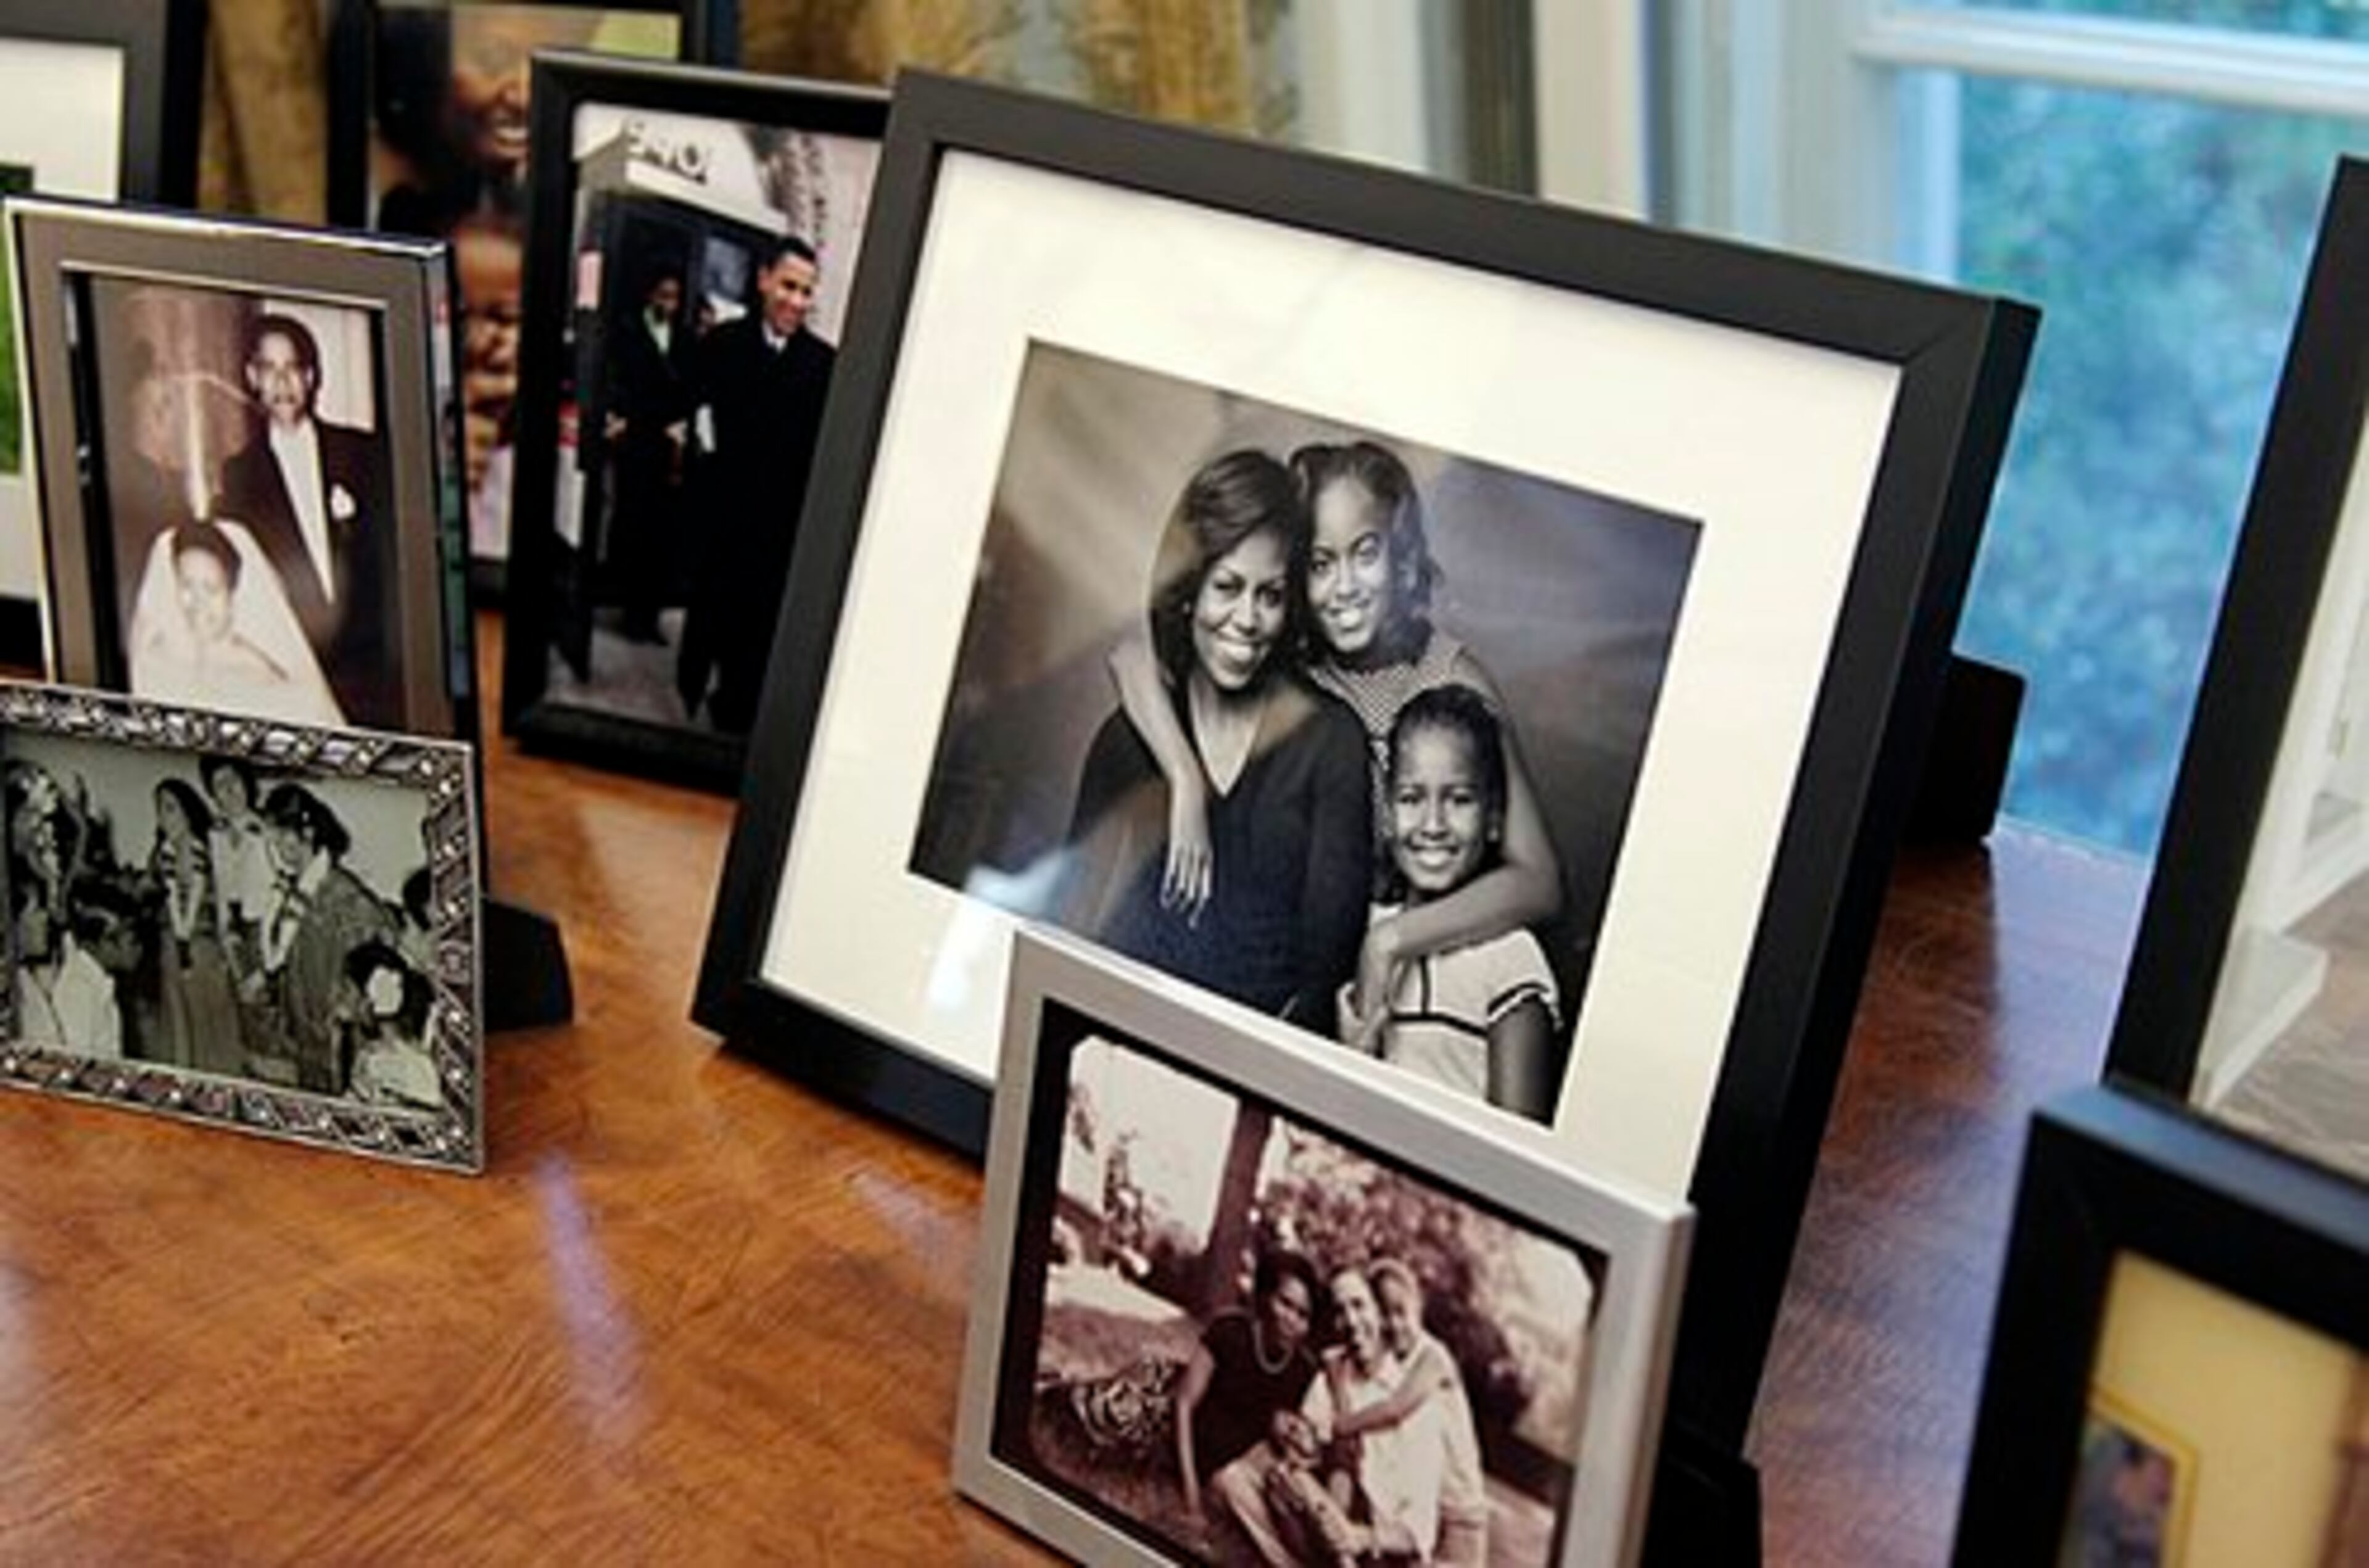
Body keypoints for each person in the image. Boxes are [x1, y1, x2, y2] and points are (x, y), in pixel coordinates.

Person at [1111, 440, 1563, 1046]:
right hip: (1302, 981)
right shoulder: (1296, 662)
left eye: (1365, 554)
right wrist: (1184, 777)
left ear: (1401, 556)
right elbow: (1132, 656)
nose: (1343, 586)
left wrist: (1395, 938)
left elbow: (1539, 880)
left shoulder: (1449, 679)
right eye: (1320, 564)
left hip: (1417, 962)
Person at [1063, 450, 1371, 1031]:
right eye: (1227, 587)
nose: (1248, 620)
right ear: (1188, 590)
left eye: (1271, 595)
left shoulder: (1332, 743)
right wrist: (1186, 783)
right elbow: (1068, 923)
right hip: (1120, 1041)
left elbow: (1322, 978)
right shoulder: (1131, 736)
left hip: (1249, 1066)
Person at [1350, 686, 1561, 1120]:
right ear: (1388, 815)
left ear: (1495, 819)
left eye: (1460, 800)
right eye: (1411, 799)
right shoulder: (1363, 928)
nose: (1433, 825)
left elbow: (1517, 1151)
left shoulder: (1511, 960)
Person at [678, 235, 836, 731]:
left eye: (806, 293)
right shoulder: (722, 346)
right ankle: (691, 691)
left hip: (778, 527)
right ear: (764, 279)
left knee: (757, 628)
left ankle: (735, 710)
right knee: (710, 614)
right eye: (788, 286)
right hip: (722, 517)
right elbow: (695, 419)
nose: (796, 301)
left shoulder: (824, 365)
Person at [217, 313, 397, 727]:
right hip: (299, 671)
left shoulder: (363, 451)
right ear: (252, 377)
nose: (282, 384)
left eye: (293, 368)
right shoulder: (238, 476)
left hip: (374, 664)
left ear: (312, 376)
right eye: (269, 369)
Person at [1341, 1260, 1489, 1566]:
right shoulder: (1396, 1360)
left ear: (1418, 1307)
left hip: (1462, 1514)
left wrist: (1343, 1425)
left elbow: (1395, 1410)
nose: (1394, 1324)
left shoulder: (1434, 1358)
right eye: (1385, 1314)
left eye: (1401, 1311)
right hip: (1429, 1513)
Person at [127, 520, 344, 727]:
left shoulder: (267, 677)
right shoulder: (155, 663)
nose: (197, 602)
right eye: (186, 585)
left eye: (211, 589)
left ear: (233, 596)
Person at [256, 783, 397, 1095]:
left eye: (281, 833)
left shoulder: (343, 895)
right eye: (273, 835)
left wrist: (344, 1014)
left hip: (337, 1038)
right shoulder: (294, 891)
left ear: (306, 832)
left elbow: (374, 962)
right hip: (308, 1031)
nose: (276, 844)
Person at [1174, 1250, 1325, 1527]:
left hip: (1236, 1469)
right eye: (1285, 1304)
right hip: (1191, 1441)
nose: (1292, 1319)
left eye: (1302, 1314)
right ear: (1267, 1297)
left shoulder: (1303, 1370)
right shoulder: (1231, 1331)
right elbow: (1183, 1405)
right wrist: (1191, 1496)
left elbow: (1288, 1438)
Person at [603, 268, 693, 643]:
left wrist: (680, 425)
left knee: (661, 537)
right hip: (636, 440)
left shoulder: (683, 338)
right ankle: (631, 615)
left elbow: (688, 386)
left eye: (673, 298)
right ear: (649, 294)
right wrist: (618, 417)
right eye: (662, 296)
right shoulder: (626, 332)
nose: (667, 305)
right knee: (634, 529)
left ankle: (650, 617)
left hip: (666, 446)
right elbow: (613, 381)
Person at [148, 777, 245, 1076]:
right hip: (172, 948)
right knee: (178, 1021)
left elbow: (196, 913)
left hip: (201, 949)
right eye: (160, 810)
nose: (164, 818)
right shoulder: (165, 853)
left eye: (171, 809)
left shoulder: (201, 849)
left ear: (188, 812)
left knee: (207, 1024)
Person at [11, 864, 119, 1059]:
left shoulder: (91, 975)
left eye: (42, 909)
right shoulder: (11, 983)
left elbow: (111, 1057)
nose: (44, 918)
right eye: (35, 911)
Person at [339, 940, 443, 1109]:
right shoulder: (370, 1054)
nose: (341, 997)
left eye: (347, 990)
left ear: (368, 999)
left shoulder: (409, 1067)